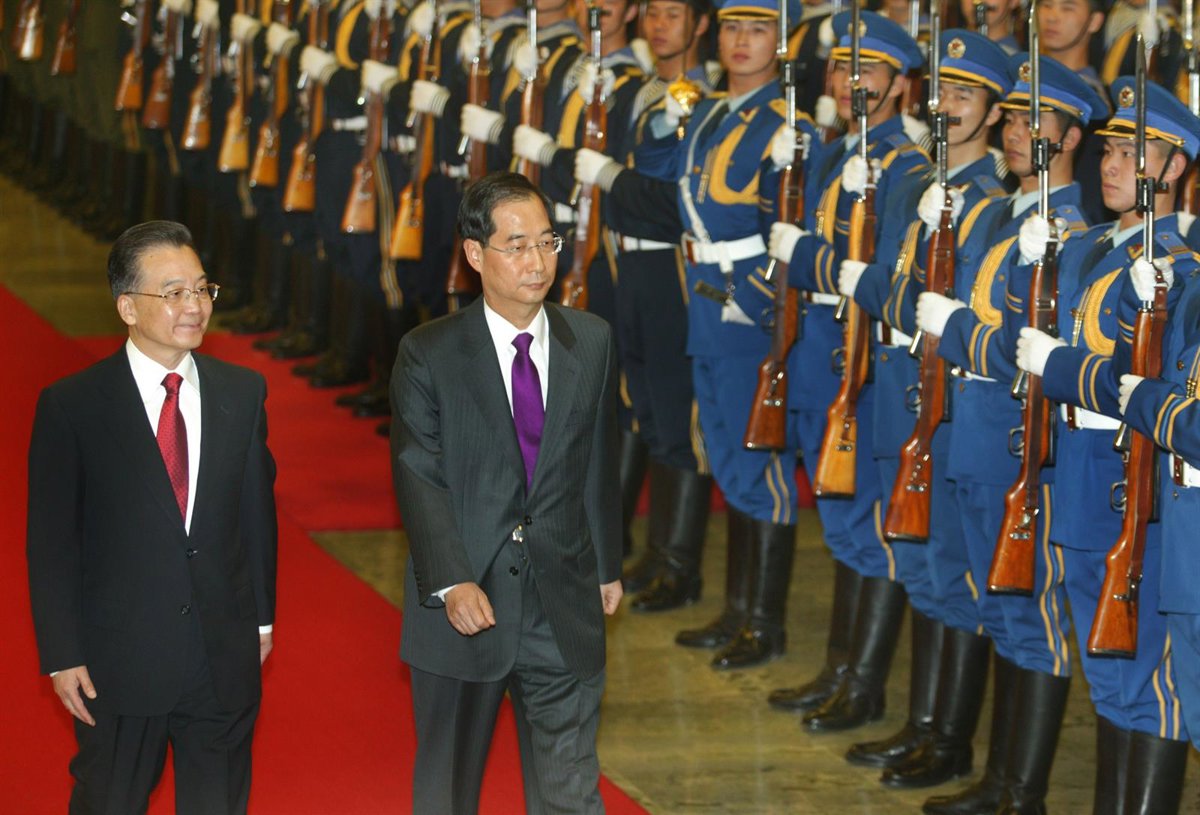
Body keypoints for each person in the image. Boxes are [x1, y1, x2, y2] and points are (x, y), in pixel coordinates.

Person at [26, 220, 279, 815]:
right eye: (173, 293)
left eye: (202, 289)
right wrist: (62, 652)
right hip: (119, 661)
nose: (194, 306)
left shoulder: (242, 393)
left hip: (221, 653)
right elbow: (52, 543)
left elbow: (256, 514)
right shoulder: (74, 406)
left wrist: (261, 621)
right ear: (127, 307)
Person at [391, 171, 623, 814]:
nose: (538, 262)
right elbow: (418, 472)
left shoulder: (591, 339)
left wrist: (606, 563)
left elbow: (598, 459)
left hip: (562, 595)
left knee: (569, 787)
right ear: (474, 254)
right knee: (448, 789)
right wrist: (452, 580)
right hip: (468, 601)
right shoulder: (429, 352)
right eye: (516, 246)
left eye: (547, 242)